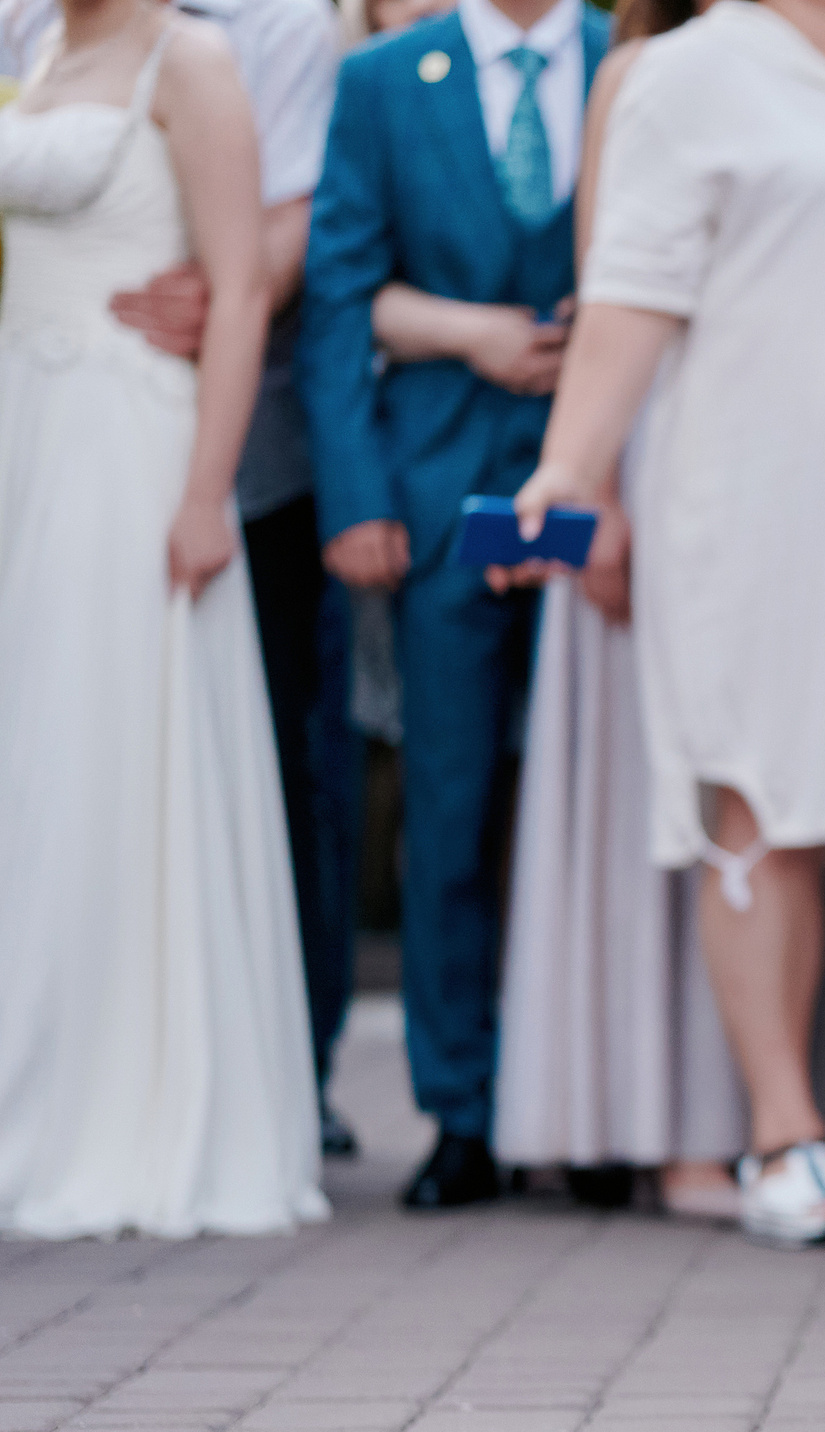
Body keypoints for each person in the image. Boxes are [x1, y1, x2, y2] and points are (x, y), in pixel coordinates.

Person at [512, 0, 825, 1248]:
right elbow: (627, 297)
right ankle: (783, 1135)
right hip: (740, 494)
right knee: (761, 803)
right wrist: (571, 474)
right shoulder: (685, 73)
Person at [5, 0, 359, 1164]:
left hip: (136, 444)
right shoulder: (34, 44)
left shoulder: (202, 53)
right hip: (33, 437)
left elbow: (244, 285)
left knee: (125, 754)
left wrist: (206, 492)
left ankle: (135, 1097)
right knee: (39, 762)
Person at [299, 0, 610, 1210]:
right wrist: (355, 499)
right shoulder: (382, 79)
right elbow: (337, 293)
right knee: (448, 812)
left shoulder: (628, 56)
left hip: (608, 496)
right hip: (434, 495)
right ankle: (463, 1114)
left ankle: (590, 1109)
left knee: (592, 809)